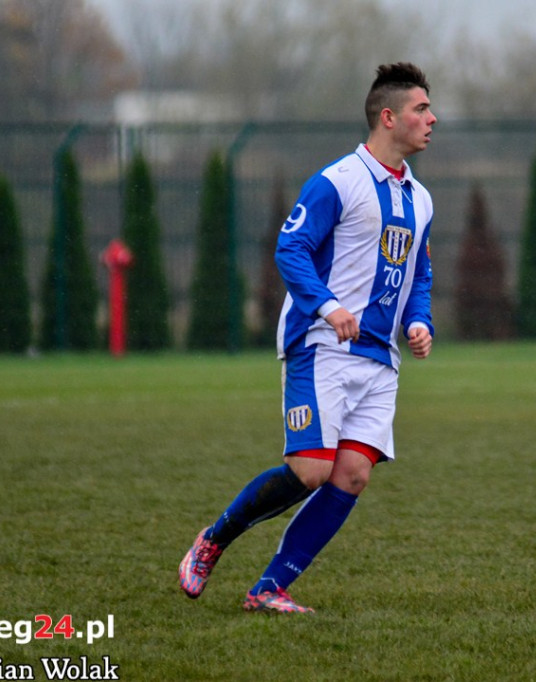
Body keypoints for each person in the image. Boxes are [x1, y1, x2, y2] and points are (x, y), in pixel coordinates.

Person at [179, 62, 437, 614]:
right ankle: (214, 539)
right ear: (388, 117)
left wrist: (420, 322)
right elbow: (289, 250)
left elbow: (419, 275)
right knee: (311, 470)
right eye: (421, 109)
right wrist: (329, 306)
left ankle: (269, 588)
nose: (431, 118)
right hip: (322, 345)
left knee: (352, 474)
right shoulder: (338, 181)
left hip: (380, 360)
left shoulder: (421, 200)